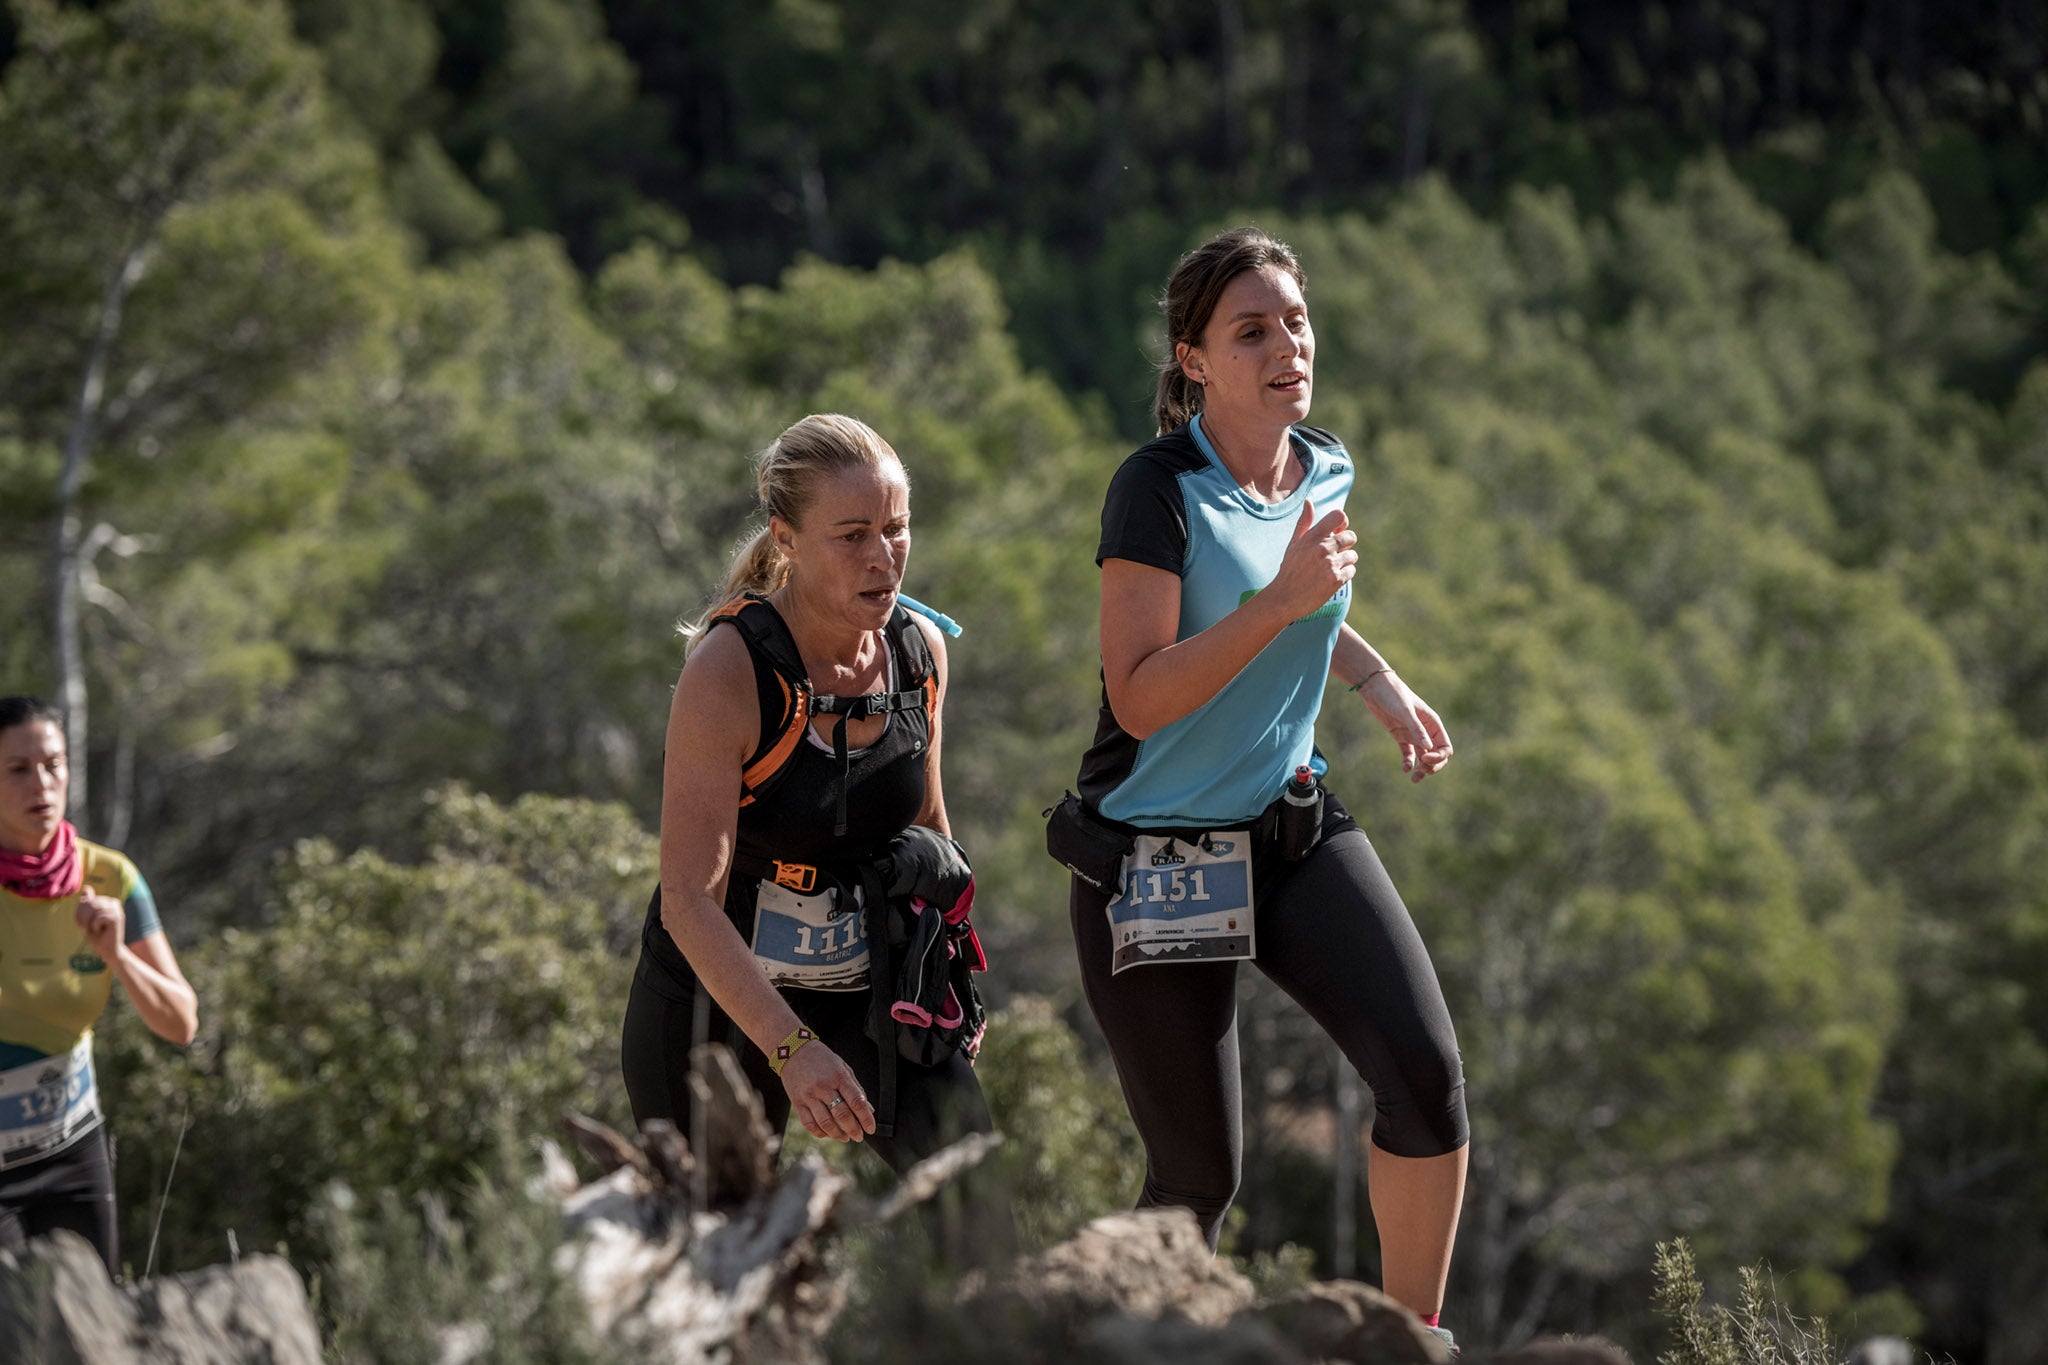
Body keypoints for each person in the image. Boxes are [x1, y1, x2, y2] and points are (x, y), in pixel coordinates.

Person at [1057, 227, 1468, 1346]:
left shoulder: (1320, 462)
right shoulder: (1153, 491)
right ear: (1193, 360)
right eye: (1250, 330)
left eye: (1293, 320)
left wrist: (1378, 680)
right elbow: (1142, 695)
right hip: (1150, 858)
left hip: (1289, 829)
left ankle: (1411, 1339)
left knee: (1426, 1086)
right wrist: (1284, 604)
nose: (1284, 343)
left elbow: (1307, 593)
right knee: (1196, 1181)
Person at [620, 413, 997, 1202]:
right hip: (715, 992)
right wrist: (791, 1049)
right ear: (785, 538)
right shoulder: (729, 671)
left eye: (896, 529)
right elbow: (690, 900)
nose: (882, 556)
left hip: (867, 978)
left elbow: (929, 828)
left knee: (977, 1207)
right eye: (851, 534)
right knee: (708, 1252)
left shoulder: (919, 652)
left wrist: (951, 972)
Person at [0, 696, 198, 1277]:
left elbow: (182, 1023)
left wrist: (117, 957)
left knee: (89, 1331)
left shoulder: (109, 877)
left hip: (73, 1153)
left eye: (54, 763)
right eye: (17, 768)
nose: (42, 782)